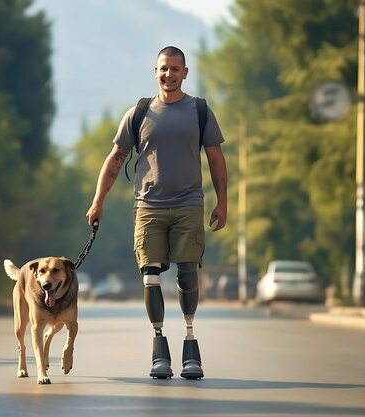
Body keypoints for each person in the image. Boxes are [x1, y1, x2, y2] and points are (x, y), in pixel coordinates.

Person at [86, 46, 227, 379]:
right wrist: (97, 201)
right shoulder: (139, 113)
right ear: (156, 71)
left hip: (189, 204)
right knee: (150, 276)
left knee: (188, 272)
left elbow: (216, 160)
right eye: (164, 68)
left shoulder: (200, 111)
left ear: (185, 73)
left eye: (175, 69)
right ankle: (159, 346)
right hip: (148, 207)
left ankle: (191, 345)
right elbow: (116, 158)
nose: (169, 74)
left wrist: (223, 202)